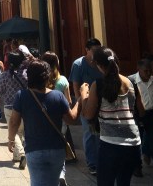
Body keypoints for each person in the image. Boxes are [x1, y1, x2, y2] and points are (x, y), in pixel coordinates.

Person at [8, 60, 80, 186]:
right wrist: (80, 100)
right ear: (47, 77)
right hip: (56, 149)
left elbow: (14, 122)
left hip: (34, 149)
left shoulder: (22, 96)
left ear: (29, 77)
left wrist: (11, 139)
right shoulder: (58, 96)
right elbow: (71, 119)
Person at [80, 47, 141, 185]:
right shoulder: (131, 83)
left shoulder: (98, 84)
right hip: (133, 143)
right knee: (124, 182)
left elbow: (88, 114)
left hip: (110, 144)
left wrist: (84, 94)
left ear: (99, 65)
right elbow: (141, 111)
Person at [128, 58, 153, 182]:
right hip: (136, 114)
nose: (149, 73)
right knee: (135, 142)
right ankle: (136, 167)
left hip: (152, 114)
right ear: (138, 69)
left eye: (150, 70)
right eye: (146, 71)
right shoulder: (130, 81)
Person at [69, 37, 102, 175]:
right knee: (89, 133)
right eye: (94, 50)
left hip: (102, 102)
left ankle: (102, 160)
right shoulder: (78, 64)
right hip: (86, 102)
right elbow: (76, 85)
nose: (96, 53)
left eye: (98, 50)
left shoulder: (101, 61)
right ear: (87, 50)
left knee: (101, 133)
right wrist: (80, 104)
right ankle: (92, 163)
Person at [42, 51, 73, 185]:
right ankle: (60, 172)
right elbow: (69, 101)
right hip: (60, 119)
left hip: (44, 119)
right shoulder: (63, 80)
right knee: (60, 145)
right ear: (57, 63)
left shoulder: (41, 80)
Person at [0, 51, 27, 168]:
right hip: (24, 106)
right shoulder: (26, 75)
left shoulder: (5, 75)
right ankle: (17, 156)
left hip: (9, 106)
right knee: (20, 131)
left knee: (14, 131)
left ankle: (21, 154)